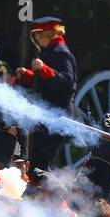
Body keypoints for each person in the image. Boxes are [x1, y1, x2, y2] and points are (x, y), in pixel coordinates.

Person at [11, 16, 77, 172]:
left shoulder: (61, 54)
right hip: (47, 116)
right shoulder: (50, 52)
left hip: (58, 116)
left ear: (48, 34)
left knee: (41, 164)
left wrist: (44, 70)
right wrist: (28, 75)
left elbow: (67, 84)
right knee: (37, 161)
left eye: (39, 35)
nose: (36, 39)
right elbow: (46, 83)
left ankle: (47, 193)